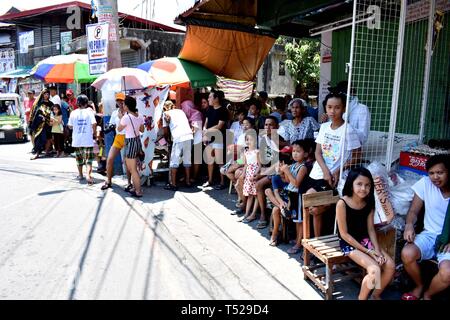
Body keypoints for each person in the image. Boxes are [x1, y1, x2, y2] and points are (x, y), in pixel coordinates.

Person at [306, 92, 362, 237]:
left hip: (335, 179)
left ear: (343, 109)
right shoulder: (324, 127)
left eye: (337, 107)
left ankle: (317, 240)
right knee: (310, 206)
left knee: (316, 209)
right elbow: (318, 152)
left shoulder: (348, 130)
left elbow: (357, 156)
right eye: (329, 107)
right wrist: (325, 170)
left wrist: (337, 170)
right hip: (318, 174)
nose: (332, 111)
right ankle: (311, 241)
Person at [336, 167, 395, 300]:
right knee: (375, 270)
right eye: (359, 184)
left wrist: (377, 251)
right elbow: (344, 234)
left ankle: (375, 295)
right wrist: (369, 252)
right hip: (348, 243)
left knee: (390, 265)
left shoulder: (369, 202)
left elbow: (370, 229)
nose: (363, 188)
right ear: (351, 184)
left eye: (367, 185)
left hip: (365, 240)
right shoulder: (342, 203)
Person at [401, 155, 450, 300]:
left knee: (447, 273)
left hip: (449, 241)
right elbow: (413, 211)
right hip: (429, 235)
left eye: (440, 172)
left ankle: (428, 295)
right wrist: (409, 225)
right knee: (407, 253)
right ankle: (419, 286)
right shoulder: (425, 183)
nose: (435, 177)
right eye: (431, 173)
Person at [268, 140, 310, 249]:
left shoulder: (303, 167)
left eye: (298, 151)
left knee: (299, 221)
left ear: (305, 154)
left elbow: (296, 183)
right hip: (291, 195)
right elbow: (288, 181)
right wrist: (284, 171)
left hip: (298, 196)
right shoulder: (293, 165)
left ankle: (298, 244)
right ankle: (297, 240)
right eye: (294, 151)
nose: (295, 153)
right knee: (296, 219)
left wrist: (287, 171)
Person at [101, 93, 131, 191]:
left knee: (127, 162)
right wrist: (108, 127)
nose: (120, 102)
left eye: (121, 101)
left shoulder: (129, 112)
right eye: (118, 101)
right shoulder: (115, 113)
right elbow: (111, 124)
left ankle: (129, 183)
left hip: (127, 137)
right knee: (109, 159)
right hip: (118, 138)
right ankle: (108, 181)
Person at [163, 100, 194, 191]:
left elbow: (165, 131)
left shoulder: (165, 113)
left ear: (165, 107)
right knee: (187, 160)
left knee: (174, 161)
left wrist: (168, 140)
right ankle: (188, 182)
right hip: (189, 136)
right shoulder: (181, 111)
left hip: (178, 137)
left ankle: (173, 184)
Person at [117, 96, 144, 197]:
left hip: (130, 142)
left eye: (124, 104)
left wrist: (120, 118)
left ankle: (138, 191)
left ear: (127, 106)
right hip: (138, 141)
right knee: (134, 168)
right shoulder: (140, 116)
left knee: (133, 169)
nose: (122, 106)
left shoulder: (126, 117)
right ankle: (136, 188)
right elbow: (142, 130)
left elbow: (119, 129)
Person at [68, 95, 97, 185]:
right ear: (86, 103)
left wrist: (76, 127)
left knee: (79, 159)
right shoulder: (89, 112)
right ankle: (88, 175)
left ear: (78, 103)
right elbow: (94, 123)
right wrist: (94, 133)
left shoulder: (73, 113)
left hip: (77, 140)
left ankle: (80, 175)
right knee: (89, 160)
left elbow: (70, 126)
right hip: (87, 139)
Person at [203, 89, 229, 189]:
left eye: (210, 97)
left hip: (219, 138)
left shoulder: (223, 110)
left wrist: (206, 131)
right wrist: (205, 131)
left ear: (216, 99)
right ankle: (209, 180)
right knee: (210, 160)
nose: (208, 99)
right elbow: (206, 122)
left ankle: (222, 182)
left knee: (219, 161)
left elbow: (219, 126)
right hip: (209, 138)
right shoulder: (209, 109)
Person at [181, 96, 203, 184]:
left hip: (197, 140)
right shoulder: (189, 115)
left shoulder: (196, 114)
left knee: (196, 159)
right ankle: (187, 177)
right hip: (190, 140)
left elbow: (193, 130)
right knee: (188, 159)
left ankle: (194, 177)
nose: (182, 110)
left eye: (183, 108)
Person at [239, 131, 260, 223]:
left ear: (255, 141)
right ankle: (246, 214)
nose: (248, 141)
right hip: (248, 174)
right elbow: (246, 164)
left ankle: (253, 214)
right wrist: (243, 174)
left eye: (251, 140)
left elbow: (259, 165)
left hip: (254, 174)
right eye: (247, 140)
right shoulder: (246, 152)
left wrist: (255, 174)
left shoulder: (257, 151)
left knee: (255, 195)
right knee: (250, 195)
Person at [29, 89, 53, 160]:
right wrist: (41, 117)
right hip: (40, 124)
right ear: (42, 95)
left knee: (49, 138)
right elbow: (35, 114)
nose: (46, 95)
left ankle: (47, 151)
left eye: (48, 94)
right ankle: (37, 153)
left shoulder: (51, 104)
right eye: (45, 94)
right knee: (40, 138)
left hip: (48, 123)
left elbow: (53, 112)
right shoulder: (39, 103)